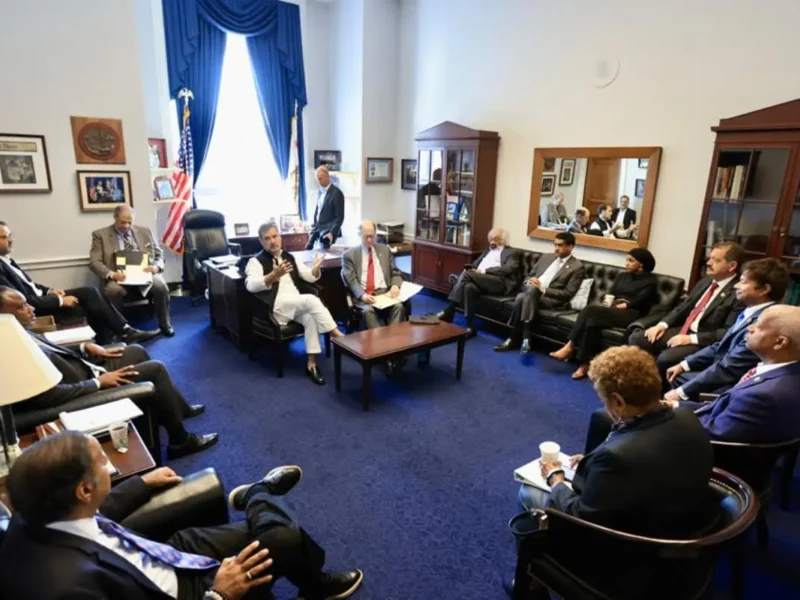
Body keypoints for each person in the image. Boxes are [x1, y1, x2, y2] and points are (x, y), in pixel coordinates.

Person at [0, 432, 364, 600]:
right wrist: (218, 595)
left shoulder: (36, 511)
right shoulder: (68, 590)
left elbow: (95, 511)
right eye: (102, 462)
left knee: (277, 534)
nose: (109, 466)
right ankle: (259, 493)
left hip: (161, 553)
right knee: (282, 534)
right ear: (84, 490)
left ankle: (311, 582)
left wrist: (142, 482)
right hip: (188, 591)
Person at [0, 287, 218, 460]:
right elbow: (46, 397)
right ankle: (180, 441)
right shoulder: (8, 350)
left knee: (134, 350)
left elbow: (49, 350)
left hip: (84, 370)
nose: (31, 309)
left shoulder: (15, 330)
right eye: (21, 307)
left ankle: (178, 409)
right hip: (82, 390)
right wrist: (97, 383)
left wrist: (84, 348)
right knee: (156, 368)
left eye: (27, 303)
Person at [519, 346, 712, 536]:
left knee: (527, 492)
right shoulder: (686, 416)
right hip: (683, 521)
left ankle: (541, 552)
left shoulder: (617, 457)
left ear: (619, 401)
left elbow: (580, 513)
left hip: (634, 545)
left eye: (604, 399)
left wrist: (556, 478)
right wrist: (591, 462)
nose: (604, 405)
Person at [587, 305, 800, 452]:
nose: (751, 328)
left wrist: (659, 414)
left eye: (759, 327)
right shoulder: (779, 374)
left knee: (604, 417)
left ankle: (592, 477)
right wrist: (672, 404)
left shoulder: (765, 395)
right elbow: (723, 407)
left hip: (707, 453)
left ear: (781, 342)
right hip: (712, 427)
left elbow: (714, 436)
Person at [0, 221, 157, 344]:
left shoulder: (6, 260)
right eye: (4, 237)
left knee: (89, 292)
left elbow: (30, 285)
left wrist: (50, 291)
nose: (11, 240)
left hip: (43, 298)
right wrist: (60, 301)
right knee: (86, 305)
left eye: (10, 235)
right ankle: (116, 335)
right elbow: (24, 301)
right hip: (35, 308)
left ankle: (119, 333)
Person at [663, 258, 789, 402]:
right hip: (723, 370)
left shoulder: (764, 323)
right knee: (676, 372)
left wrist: (680, 392)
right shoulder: (750, 312)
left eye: (743, 282)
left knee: (678, 383)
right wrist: (685, 364)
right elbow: (720, 345)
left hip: (734, 386)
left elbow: (729, 368)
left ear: (764, 289)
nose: (736, 286)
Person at [245, 221, 344, 386]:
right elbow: (250, 285)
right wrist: (273, 276)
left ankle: (311, 363)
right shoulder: (256, 261)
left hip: (295, 303)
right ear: (261, 241)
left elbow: (310, 277)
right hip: (276, 305)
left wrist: (316, 267)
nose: (273, 241)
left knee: (310, 318)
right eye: (267, 239)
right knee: (311, 300)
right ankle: (338, 336)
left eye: (275, 236)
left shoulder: (290, 257)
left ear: (280, 237)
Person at [630, 241, 744, 380]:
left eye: (716, 260)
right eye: (710, 258)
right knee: (638, 338)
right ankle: (639, 382)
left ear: (732, 266)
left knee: (666, 358)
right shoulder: (705, 281)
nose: (708, 263)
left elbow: (727, 332)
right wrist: (661, 325)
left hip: (703, 339)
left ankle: (655, 393)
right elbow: (682, 308)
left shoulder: (738, 293)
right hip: (683, 329)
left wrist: (691, 338)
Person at [550, 248, 658, 379]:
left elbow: (640, 301)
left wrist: (624, 304)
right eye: (626, 259)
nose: (626, 263)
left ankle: (570, 345)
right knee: (591, 322)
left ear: (641, 264)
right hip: (614, 309)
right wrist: (607, 300)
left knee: (589, 310)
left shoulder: (650, 281)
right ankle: (585, 364)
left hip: (631, 314)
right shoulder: (623, 276)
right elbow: (611, 293)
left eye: (631, 260)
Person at [89, 206, 174, 337]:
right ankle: (119, 330)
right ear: (115, 217)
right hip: (119, 276)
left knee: (160, 286)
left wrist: (156, 267)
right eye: (123, 222)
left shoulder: (145, 232)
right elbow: (94, 263)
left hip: (145, 273)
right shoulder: (100, 235)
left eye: (130, 222)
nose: (127, 226)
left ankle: (165, 324)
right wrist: (112, 274)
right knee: (113, 290)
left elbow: (159, 255)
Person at [494, 232, 585, 354]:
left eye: (560, 245)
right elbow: (529, 275)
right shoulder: (546, 257)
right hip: (531, 292)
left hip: (550, 298)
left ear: (570, 247)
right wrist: (529, 281)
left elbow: (568, 293)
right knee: (529, 291)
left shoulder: (577, 267)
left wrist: (543, 289)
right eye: (555, 245)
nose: (556, 248)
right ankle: (525, 339)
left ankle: (513, 338)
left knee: (522, 297)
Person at [436, 228, 521, 338]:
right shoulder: (487, 251)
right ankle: (471, 326)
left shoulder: (512, 252)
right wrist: (471, 270)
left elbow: (508, 269)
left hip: (499, 282)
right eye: (490, 239)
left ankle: (450, 309)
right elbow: (475, 264)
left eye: (496, 239)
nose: (492, 242)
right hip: (481, 279)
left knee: (466, 275)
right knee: (468, 287)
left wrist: (484, 271)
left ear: (503, 240)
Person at [341, 220, 406, 329]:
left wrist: (395, 285)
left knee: (399, 307)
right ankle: (379, 344)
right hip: (365, 295)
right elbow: (351, 281)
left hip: (385, 294)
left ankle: (393, 342)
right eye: (366, 237)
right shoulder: (349, 256)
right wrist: (362, 295)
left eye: (372, 236)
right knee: (368, 311)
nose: (370, 240)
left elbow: (395, 272)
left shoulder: (385, 250)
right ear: (359, 235)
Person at [305, 166, 345, 250]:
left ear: (327, 177)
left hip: (329, 234)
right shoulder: (320, 192)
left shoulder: (336, 193)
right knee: (308, 251)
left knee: (327, 259)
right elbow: (318, 213)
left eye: (320, 178)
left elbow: (339, 217)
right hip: (318, 231)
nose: (319, 181)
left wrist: (331, 233)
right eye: (317, 179)